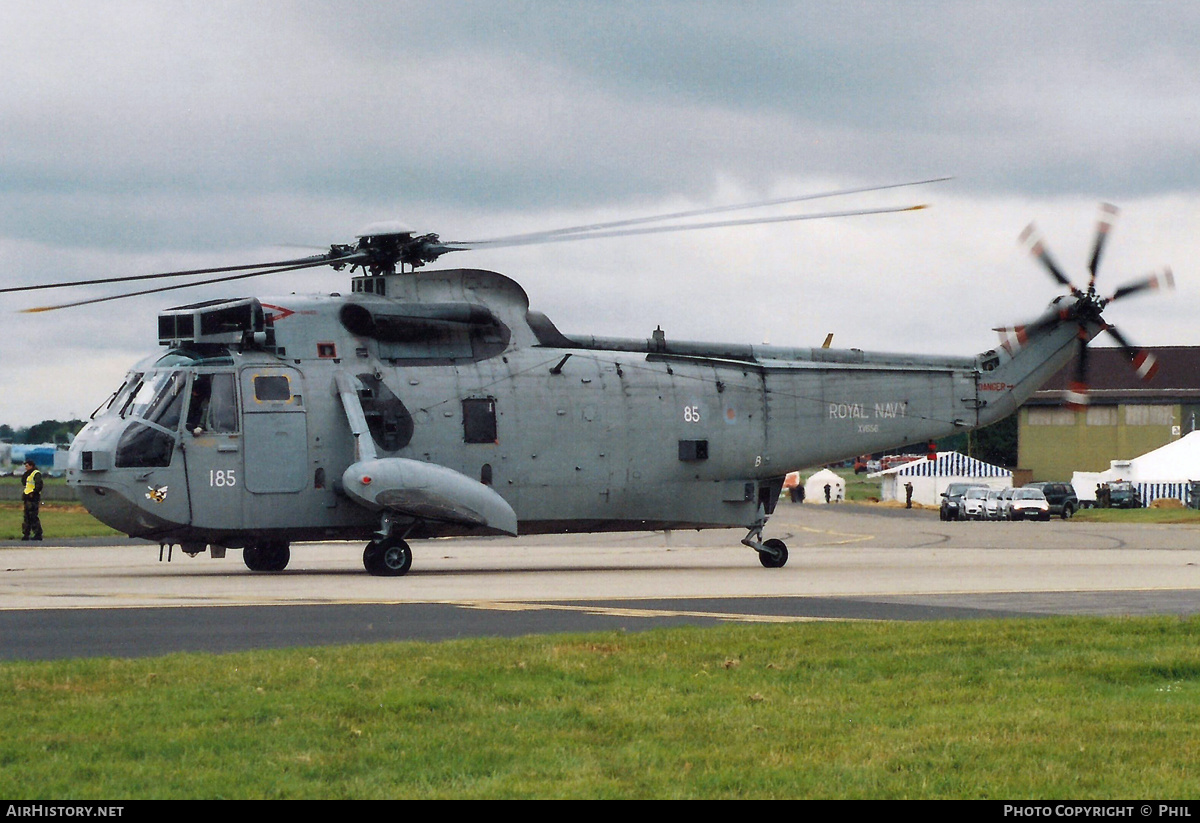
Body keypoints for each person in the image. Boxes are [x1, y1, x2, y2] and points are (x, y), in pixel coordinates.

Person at [20, 459, 43, 541]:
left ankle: (37, 534)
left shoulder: (36, 474)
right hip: (27, 497)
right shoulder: (28, 474)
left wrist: (34, 493)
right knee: (26, 517)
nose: (26, 468)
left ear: (31, 466)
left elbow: (39, 485)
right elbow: (24, 482)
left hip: (33, 498)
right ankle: (26, 534)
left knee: (33, 516)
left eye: (27, 466)